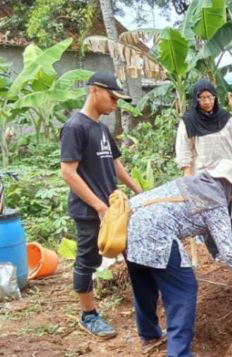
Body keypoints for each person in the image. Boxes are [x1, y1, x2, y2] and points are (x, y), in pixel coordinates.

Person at [124, 160, 232, 356]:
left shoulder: (190, 183)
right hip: (157, 236)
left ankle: (149, 335)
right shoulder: (213, 200)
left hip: (128, 230)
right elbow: (228, 248)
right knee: (183, 289)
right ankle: (180, 353)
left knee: (144, 279)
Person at [60, 72, 143, 339]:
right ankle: (89, 315)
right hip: (90, 210)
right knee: (88, 261)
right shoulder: (75, 126)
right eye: (112, 97)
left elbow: (115, 164)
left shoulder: (102, 128)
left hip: (113, 208)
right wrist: (98, 206)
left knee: (131, 250)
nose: (115, 104)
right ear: (95, 91)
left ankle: (144, 303)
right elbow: (68, 172)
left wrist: (138, 191)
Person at [175, 80, 232, 259]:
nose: (207, 101)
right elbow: (184, 152)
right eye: (202, 98)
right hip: (205, 178)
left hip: (230, 175)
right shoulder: (189, 122)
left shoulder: (225, 118)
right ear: (196, 100)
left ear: (215, 97)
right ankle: (216, 252)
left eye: (210, 97)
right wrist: (188, 180)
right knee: (209, 217)